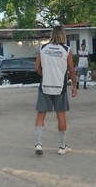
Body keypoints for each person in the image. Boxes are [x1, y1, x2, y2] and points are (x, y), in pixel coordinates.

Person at [34, 25, 78, 155]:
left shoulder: (43, 48)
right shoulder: (67, 50)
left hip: (45, 85)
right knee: (61, 115)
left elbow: (37, 67)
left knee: (41, 114)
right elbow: (72, 70)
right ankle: (62, 147)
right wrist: (74, 86)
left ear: (52, 34)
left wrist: (45, 75)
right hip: (60, 87)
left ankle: (38, 144)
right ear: (63, 34)